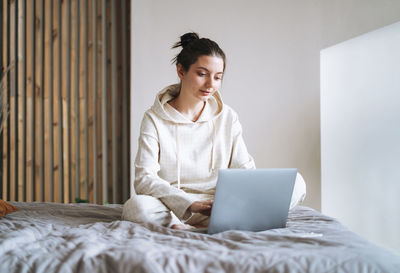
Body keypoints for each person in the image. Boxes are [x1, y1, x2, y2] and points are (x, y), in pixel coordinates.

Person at [122, 32, 306, 230]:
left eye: (218, 77)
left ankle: (213, 225)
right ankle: (199, 228)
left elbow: (244, 170)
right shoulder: (154, 119)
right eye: (202, 74)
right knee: (136, 206)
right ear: (181, 71)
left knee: (296, 183)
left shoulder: (227, 116)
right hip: (175, 208)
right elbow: (144, 179)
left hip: (222, 206)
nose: (211, 85)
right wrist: (188, 203)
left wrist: (241, 198)